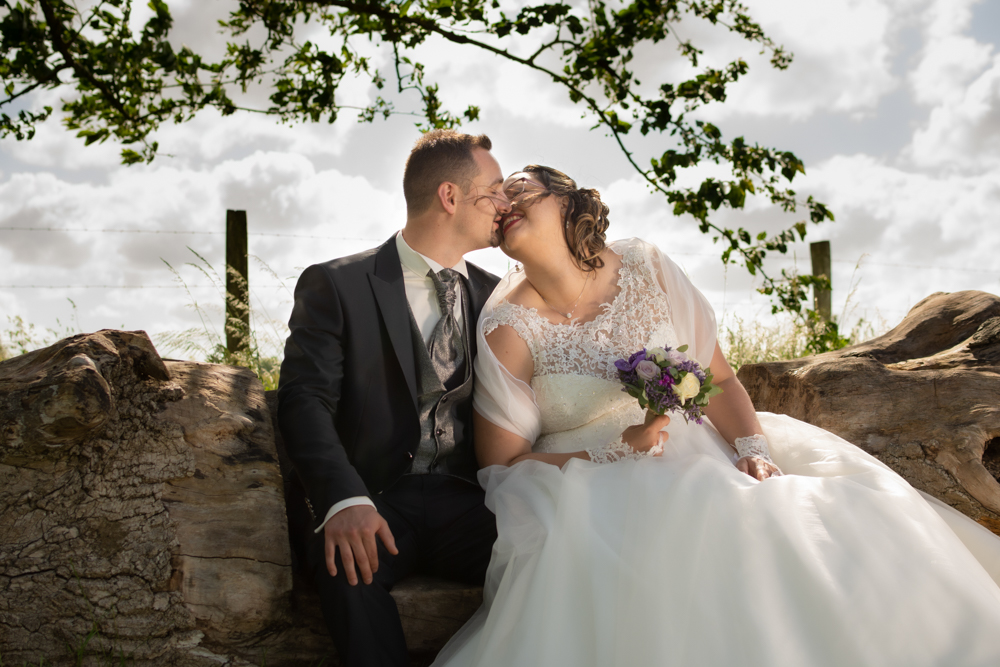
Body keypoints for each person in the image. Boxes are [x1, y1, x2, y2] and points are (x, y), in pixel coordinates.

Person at [431, 165, 1000, 667]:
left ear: (567, 200)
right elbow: (503, 463)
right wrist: (613, 451)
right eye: (498, 200)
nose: (506, 204)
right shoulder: (506, 325)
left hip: (700, 446)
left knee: (809, 517)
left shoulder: (644, 265)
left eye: (521, 189)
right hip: (585, 484)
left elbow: (719, 378)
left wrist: (752, 450)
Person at [277, 129, 512, 667]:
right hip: (373, 495)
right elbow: (304, 400)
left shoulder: (498, 295)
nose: (506, 204)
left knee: (549, 555)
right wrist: (342, 499)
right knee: (347, 568)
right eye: (495, 190)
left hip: (470, 500)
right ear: (450, 197)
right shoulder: (337, 284)